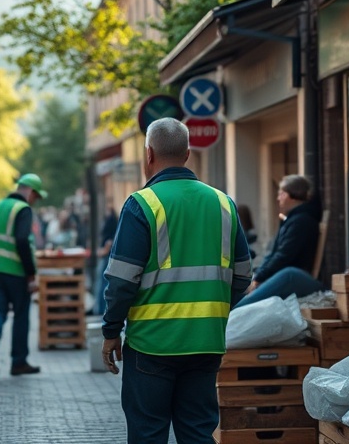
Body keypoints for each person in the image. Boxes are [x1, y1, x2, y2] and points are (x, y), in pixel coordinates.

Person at [102, 118, 252, 444]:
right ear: (187, 154)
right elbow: (243, 274)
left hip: (152, 343)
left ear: (149, 154)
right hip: (206, 341)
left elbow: (122, 281)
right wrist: (214, 310)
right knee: (198, 432)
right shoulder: (223, 204)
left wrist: (111, 330)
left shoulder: (142, 204)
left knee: (148, 433)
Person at [0, 173, 47, 378]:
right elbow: (22, 240)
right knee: (21, 315)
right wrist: (30, 274)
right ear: (31, 192)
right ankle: (18, 362)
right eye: (36, 197)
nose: (34, 201)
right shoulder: (22, 209)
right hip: (15, 271)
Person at [233, 174, 322, 309]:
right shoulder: (291, 219)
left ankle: (233, 313)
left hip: (294, 276)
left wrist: (259, 278)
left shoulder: (301, 221)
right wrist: (259, 273)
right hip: (282, 273)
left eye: (281, 194)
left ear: (291, 195)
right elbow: (274, 254)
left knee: (283, 276)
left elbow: (283, 256)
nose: (278, 198)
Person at [93, 202, 119, 315]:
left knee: (103, 283)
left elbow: (109, 240)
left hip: (106, 255)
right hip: (106, 254)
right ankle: (101, 308)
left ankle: (101, 308)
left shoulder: (111, 220)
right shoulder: (111, 219)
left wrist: (103, 250)